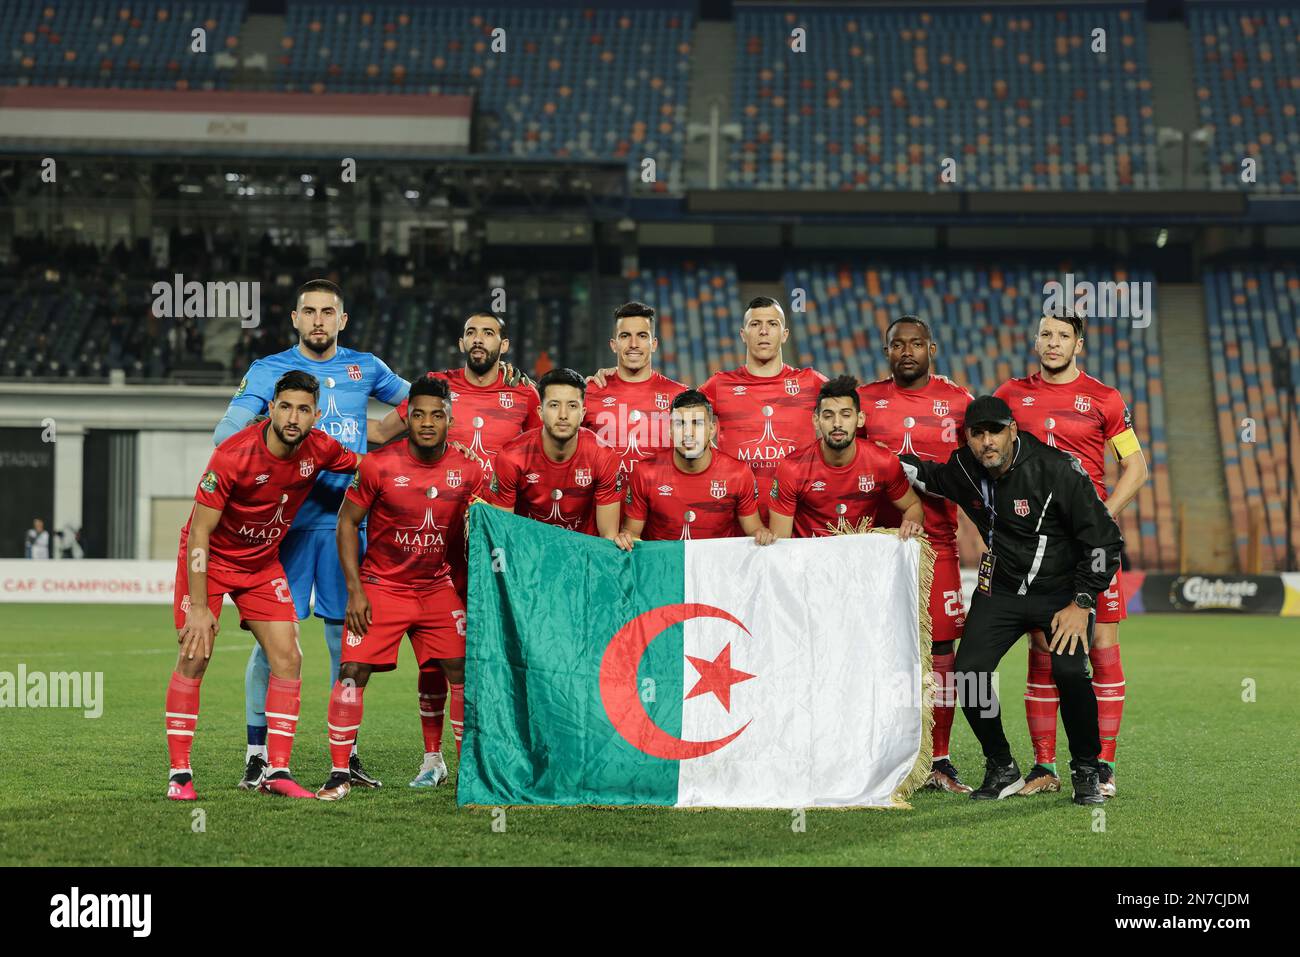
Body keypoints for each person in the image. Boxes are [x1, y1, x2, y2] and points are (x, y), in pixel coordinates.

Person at [214, 279, 408, 792]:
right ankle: (258, 756)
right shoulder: (268, 370)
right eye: (309, 312)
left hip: (350, 526)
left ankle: (345, 757)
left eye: (328, 312)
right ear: (295, 319)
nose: (318, 320)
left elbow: (422, 406)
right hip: (286, 529)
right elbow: (225, 433)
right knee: (272, 643)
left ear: (341, 320)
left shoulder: (366, 366)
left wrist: (382, 439)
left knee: (347, 644)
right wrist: (281, 446)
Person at [899, 394, 1122, 805]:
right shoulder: (965, 467)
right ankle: (1001, 765)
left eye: (995, 431)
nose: (987, 441)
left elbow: (1105, 541)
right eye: (978, 433)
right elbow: (928, 476)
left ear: (1012, 431)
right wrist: (873, 456)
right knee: (969, 673)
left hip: (1061, 593)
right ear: (967, 437)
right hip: (999, 590)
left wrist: (1083, 602)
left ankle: (1087, 770)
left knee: (1070, 672)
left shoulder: (1057, 471)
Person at [165, 371, 361, 801]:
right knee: (195, 655)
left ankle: (277, 771)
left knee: (289, 656)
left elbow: (366, 466)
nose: (293, 417)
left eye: (303, 409)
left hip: (260, 565)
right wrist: (199, 606)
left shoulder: (320, 448)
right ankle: (180, 775)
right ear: (271, 408)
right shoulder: (233, 455)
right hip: (211, 561)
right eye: (285, 407)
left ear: (316, 415)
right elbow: (199, 532)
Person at [370, 311, 539, 758]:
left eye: (489, 332)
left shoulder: (525, 394)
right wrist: (317, 429)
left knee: (504, 645)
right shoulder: (436, 390)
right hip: (440, 543)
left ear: (504, 345)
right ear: (461, 342)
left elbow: (547, 451)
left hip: (498, 542)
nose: (478, 339)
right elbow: (378, 434)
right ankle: (433, 758)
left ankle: (499, 750)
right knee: (435, 653)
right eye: (471, 332)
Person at [996, 313, 1147, 797]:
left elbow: (1136, 467)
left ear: (1078, 344)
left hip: (1090, 549)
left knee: (1103, 650)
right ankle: (1045, 767)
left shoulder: (1105, 398)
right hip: (1035, 548)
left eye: (1063, 335)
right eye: (1046, 334)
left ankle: (1103, 764)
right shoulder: (1010, 396)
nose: (1053, 342)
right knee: (1042, 653)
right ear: (1035, 340)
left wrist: (1100, 514)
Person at [319, 375, 485, 799]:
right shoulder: (378, 464)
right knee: (352, 674)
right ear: (406, 417)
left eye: (437, 414)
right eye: (418, 414)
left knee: (460, 670)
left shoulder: (468, 469)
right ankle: (340, 773)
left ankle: (467, 773)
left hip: (436, 587)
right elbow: (346, 522)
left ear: (451, 418)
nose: (427, 422)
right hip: (382, 586)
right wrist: (356, 591)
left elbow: (482, 529)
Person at [858, 316, 975, 793]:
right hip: (874, 545)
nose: (906, 351)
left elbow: (979, 471)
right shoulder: (864, 401)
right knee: (872, 650)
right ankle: (874, 752)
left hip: (937, 544)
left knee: (942, 649)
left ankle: (940, 758)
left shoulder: (959, 402)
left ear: (932, 347)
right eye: (897, 344)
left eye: (915, 344)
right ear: (887, 351)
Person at [699, 297, 827, 523]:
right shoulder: (720, 385)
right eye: (755, 324)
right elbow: (677, 411)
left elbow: (856, 405)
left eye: (773, 324)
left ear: (785, 334)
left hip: (799, 520)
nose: (764, 331)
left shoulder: (810, 382)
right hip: (735, 520)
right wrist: (617, 378)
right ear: (743, 334)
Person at [768, 375, 925, 541]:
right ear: (816, 420)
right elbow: (780, 544)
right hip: (807, 564)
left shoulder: (883, 462)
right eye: (828, 416)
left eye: (846, 415)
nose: (837, 423)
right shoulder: (792, 468)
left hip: (859, 561)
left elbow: (913, 505)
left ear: (860, 419)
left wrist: (912, 522)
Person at [618, 390, 775, 545]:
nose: (688, 433)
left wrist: (761, 534)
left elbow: (753, 529)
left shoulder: (738, 474)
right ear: (670, 430)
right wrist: (626, 538)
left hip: (716, 567)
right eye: (680, 424)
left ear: (712, 430)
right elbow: (632, 533)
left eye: (697, 424)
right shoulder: (645, 472)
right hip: (666, 567)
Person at [488, 368, 624, 541]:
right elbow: (502, 534)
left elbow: (608, 537)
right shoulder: (511, 457)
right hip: (529, 554)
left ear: (583, 413)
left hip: (583, 554)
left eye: (572, 406)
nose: (563, 415)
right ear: (540, 412)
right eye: (554, 405)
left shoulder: (603, 456)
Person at [582, 301, 688, 477]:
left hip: (659, 503)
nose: (633, 344)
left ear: (654, 344)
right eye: (624, 336)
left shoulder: (679, 395)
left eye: (642, 336)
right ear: (613, 344)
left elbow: (699, 454)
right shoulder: (590, 391)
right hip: (602, 504)